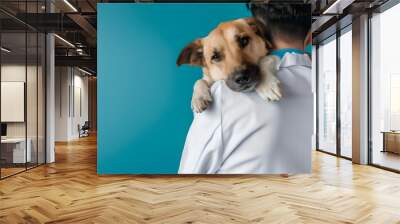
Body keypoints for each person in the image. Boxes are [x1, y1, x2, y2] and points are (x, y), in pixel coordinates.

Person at [179, 3, 313, 174]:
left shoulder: (222, 98)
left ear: (262, 35)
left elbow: (189, 175)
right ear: (310, 36)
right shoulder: (335, 85)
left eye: (243, 41)